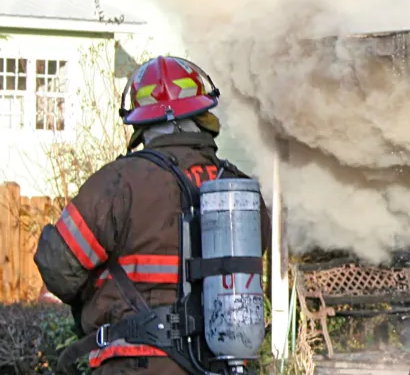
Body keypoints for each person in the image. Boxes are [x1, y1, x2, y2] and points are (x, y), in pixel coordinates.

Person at [34, 55, 270, 375]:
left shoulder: (121, 181)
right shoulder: (238, 188)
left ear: (140, 124)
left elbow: (59, 268)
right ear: (203, 116)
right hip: (220, 364)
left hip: (137, 363)